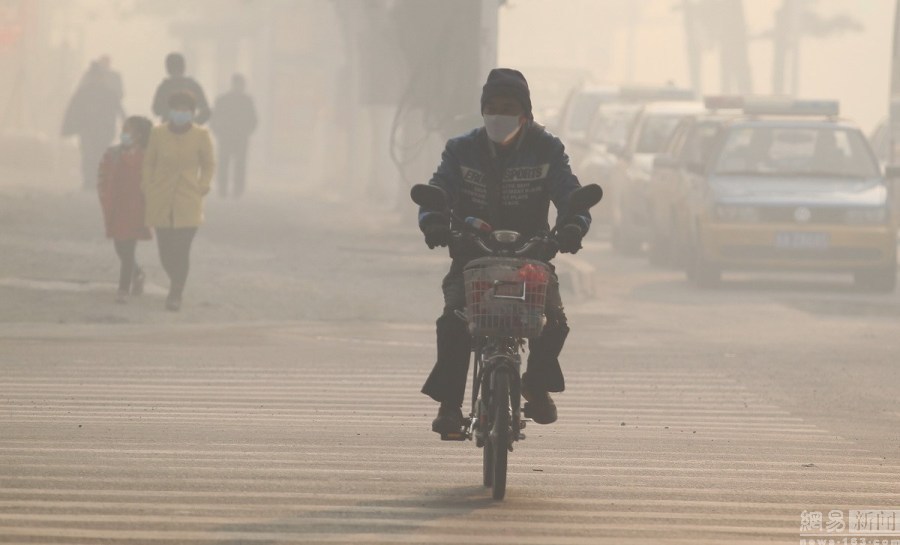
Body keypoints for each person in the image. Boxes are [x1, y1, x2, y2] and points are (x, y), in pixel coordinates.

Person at [417, 68, 591, 435]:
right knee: (455, 321)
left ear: (525, 112)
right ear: (482, 111)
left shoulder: (548, 148)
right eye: (491, 107)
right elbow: (439, 190)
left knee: (554, 321)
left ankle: (536, 384)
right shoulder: (461, 149)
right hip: (472, 254)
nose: (499, 115)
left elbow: (570, 194)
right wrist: (433, 221)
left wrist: (573, 226)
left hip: (532, 256)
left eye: (508, 107)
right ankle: (450, 407)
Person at [142, 91, 215, 311]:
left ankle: (176, 293)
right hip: (162, 198)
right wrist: (147, 186)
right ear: (170, 111)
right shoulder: (157, 134)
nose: (181, 114)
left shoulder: (201, 136)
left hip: (189, 199)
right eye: (177, 110)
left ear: (192, 113)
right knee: (165, 252)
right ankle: (176, 280)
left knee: (181, 249)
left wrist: (203, 185)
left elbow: (209, 164)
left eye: (186, 111)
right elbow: (149, 163)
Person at [98, 116, 154, 303]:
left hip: (137, 208)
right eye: (123, 129)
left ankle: (123, 289)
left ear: (139, 134)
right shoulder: (113, 153)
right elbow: (103, 175)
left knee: (128, 248)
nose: (124, 134)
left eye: (128, 130)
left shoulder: (148, 156)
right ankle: (137, 273)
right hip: (117, 207)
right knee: (120, 247)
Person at [61, 59, 125, 190]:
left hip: (98, 131)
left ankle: (92, 181)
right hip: (94, 131)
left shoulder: (96, 93)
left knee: (92, 155)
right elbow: (73, 110)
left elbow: (120, 110)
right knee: (91, 155)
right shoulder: (94, 93)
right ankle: (91, 181)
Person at [210, 74, 258, 197]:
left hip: (235, 136)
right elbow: (214, 119)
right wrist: (218, 131)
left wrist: (247, 131)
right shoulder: (243, 100)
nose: (240, 87)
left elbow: (253, 119)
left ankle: (234, 190)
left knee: (236, 165)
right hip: (230, 136)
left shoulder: (225, 99)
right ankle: (225, 190)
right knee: (226, 164)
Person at [151, 53, 211, 125]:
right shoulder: (193, 85)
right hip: (188, 131)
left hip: (168, 130)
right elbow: (206, 111)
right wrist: (194, 123)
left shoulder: (164, 87)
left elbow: (156, 110)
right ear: (184, 67)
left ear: (167, 68)